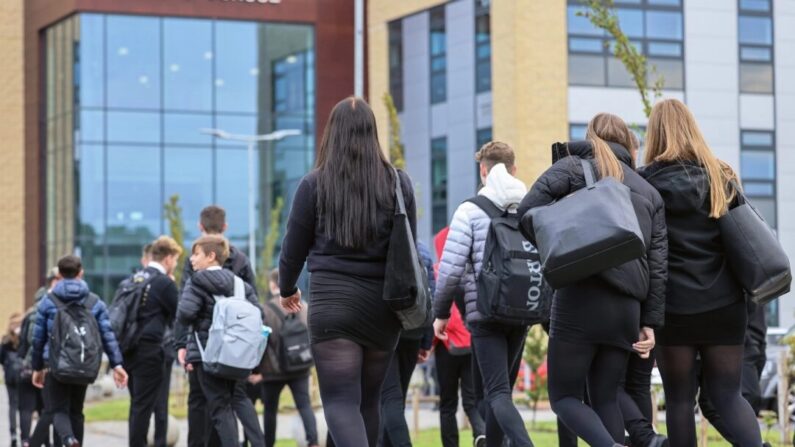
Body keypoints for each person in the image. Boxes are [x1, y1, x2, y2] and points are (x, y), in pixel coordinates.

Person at [517, 113, 667, 447]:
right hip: (628, 308)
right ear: (628, 142)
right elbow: (657, 265)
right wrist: (649, 322)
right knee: (606, 397)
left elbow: (526, 211)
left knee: (564, 397)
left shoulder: (573, 168)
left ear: (591, 136)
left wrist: (558, 243)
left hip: (579, 297)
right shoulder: (648, 191)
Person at [279, 96, 415, 446]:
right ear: (373, 133)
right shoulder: (399, 184)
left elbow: (292, 248)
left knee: (340, 402)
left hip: (333, 304)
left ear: (332, 134)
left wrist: (287, 288)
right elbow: (408, 249)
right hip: (383, 308)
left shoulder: (314, 184)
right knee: (369, 402)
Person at [638, 98, 763, 446]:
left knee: (679, 400)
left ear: (655, 135)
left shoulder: (645, 184)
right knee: (727, 396)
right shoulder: (721, 176)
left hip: (674, 308)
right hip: (725, 305)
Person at [433, 141, 534, 447]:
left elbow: (450, 268)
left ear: (483, 170)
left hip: (485, 313)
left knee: (497, 394)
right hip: (522, 310)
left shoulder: (469, 211)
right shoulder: (529, 208)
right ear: (513, 169)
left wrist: (440, 313)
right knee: (493, 395)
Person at [175, 205, 258, 447]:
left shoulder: (196, 263)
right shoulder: (241, 260)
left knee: (201, 401)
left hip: (204, 345)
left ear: (200, 227)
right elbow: (254, 308)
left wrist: (181, 343)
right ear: (225, 227)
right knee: (236, 399)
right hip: (237, 347)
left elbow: (185, 306)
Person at [30, 255, 129, 447]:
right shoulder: (94, 302)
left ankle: (68, 439)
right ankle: (76, 442)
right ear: (81, 273)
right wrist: (117, 364)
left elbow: (38, 338)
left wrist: (37, 367)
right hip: (84, 364)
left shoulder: (48, 301)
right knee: (77, 411)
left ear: (59, 274)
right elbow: (107, 334)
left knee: (58, 410)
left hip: (56, 366)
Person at [431, 227, 486, 447]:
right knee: (471, 401)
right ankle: (480, 434)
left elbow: (437, 314)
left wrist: (431, 343)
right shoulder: (472, 271)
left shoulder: (438, 272)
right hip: (471, 344)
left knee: (447, 404)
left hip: (447, 346)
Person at [125, 237, 181, 447]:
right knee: (151, 406)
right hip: (150, 350)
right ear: (167, 259)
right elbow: (180, 315)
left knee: (137, 405)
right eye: (175, 259)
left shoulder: (133, 279)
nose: (175, 264)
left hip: (129, 349)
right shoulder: (164, 282)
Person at [379, 241, 435, 447]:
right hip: (414, 330)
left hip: (386, 330)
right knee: (396, 400)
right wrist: (426, 341)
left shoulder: (379, 247)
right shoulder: (422, 251)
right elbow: (430, 298)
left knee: (389, 398)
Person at [256, 269, 319, 447]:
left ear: (273, 284)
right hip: (300, 366)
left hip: (272, 370)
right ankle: (313, 442)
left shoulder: (265, 309)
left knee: (270, 410)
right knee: (304, 405)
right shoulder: (303, 306)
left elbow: (261, 341)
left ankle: (269, 444)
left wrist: (256, 369)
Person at [20, 268, 61, 447]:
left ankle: (38, 442)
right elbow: (33, 339)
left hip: (40, 365)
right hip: (44, 366)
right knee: (48, 410)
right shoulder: (46, 305)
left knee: (43, 409)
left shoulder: (37, 307)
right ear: (53, 281)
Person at [1, 313, 23, 447]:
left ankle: (13, 434)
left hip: (10, 376)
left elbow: (1, 359)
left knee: (12, 406)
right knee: (24, 407)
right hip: (22, 375)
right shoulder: (24, 338)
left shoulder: (5, 340)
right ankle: (24, 435)